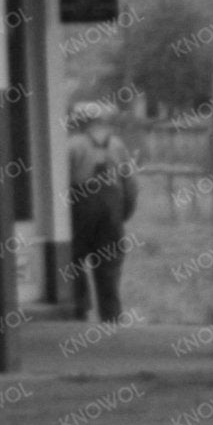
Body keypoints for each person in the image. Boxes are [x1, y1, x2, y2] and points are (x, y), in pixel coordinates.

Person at [69, 130, 137, 323]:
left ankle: (78, 310)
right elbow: (131, 184)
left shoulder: (71, 145)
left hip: (80, 209)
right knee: (109, 264)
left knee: (73, 260)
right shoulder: (117, 145)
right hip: (111, 210)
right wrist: (125, 212)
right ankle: (111, 315)